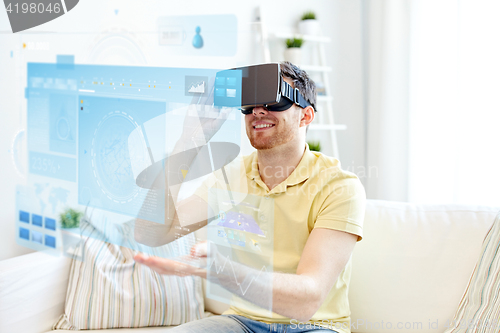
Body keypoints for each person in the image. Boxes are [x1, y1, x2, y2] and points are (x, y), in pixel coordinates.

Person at [134, 62, 366, 333]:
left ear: (306, 116)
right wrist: (190, 139)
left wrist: (224, 271)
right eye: (250, 104)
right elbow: (150, 231)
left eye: (274, 99)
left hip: (315, 326)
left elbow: (306, 301)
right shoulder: (229, 177)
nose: (258, 111)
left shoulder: (339, 186)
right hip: (241, 322)